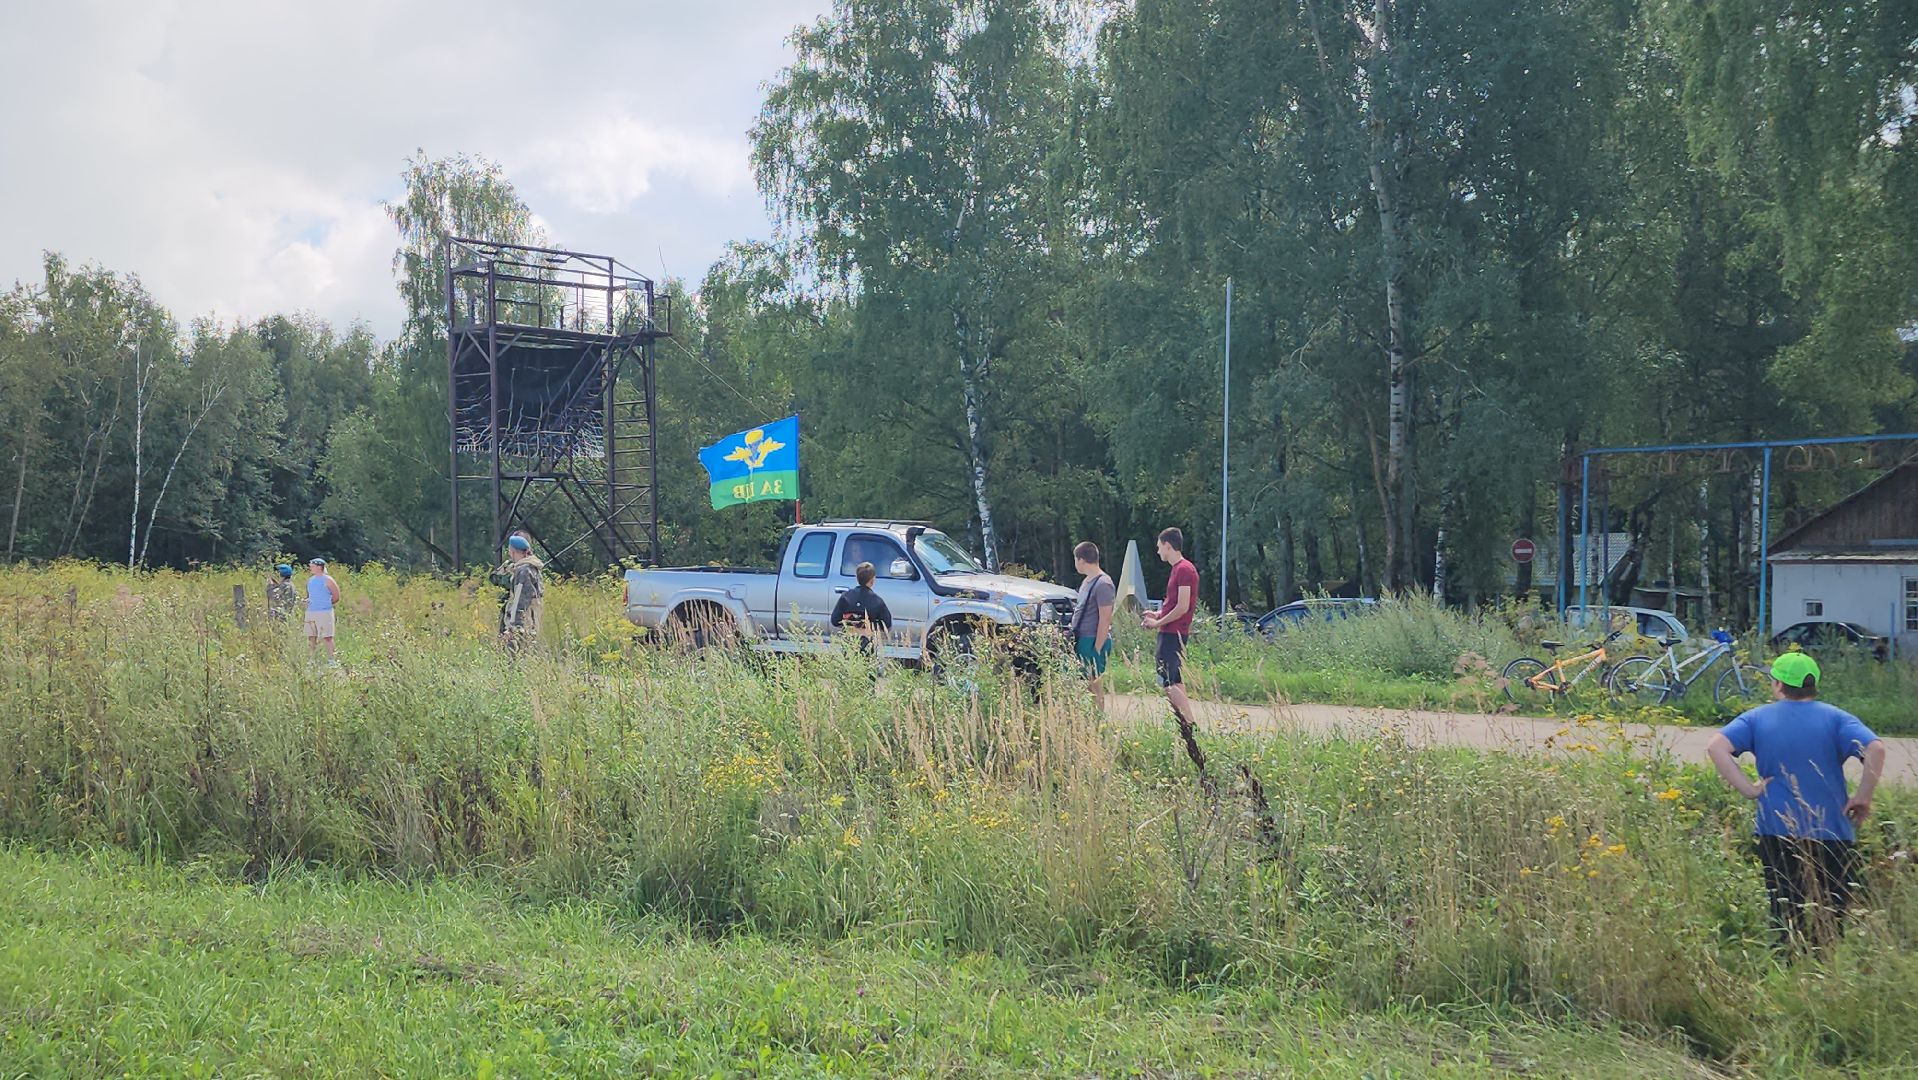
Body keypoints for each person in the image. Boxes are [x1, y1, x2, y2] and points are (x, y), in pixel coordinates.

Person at [1706, 652, 1887, 948]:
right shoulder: (1837, 718)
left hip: (1776, 830)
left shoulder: (1756, 718)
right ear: (1814, 684)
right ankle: (1825, 973)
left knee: (1784, 912)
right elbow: (1876, 749)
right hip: (1832, 831)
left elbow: (1716, 747)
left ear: (1777, 684)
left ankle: (1788, 971)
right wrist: (1863, 796)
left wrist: (1750, 790)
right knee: (1830, 914)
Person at [1140, 527, 1200, 731]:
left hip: (1173, 633)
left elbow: (1183, 606)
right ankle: (1187, 722)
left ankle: (1187, 724)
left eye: (1159, 548)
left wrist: (1158, 623)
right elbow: (1174, 604)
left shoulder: (1184, 569)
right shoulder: (1177, 569)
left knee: (1167, 681)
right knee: (1173, 679)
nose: (1158, 552)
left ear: (1168, 546)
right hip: (1169, 631)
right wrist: (1157, 615)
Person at [1069, 541, 1117, 709]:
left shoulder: (1103, 583)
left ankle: (1098, 720)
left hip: (1093, 640)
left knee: (1093, 685)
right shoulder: (1087, 581)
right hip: (1082, 638)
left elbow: (1105, 618)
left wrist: (1097, 647)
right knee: (1082, 684)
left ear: (1081, 560)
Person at [830, 561, 893, 659]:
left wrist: (851, 625)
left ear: (857, 578)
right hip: (867, 644)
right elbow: (887, 624)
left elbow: (834, 621)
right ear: (872, 580)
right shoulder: (877, 601)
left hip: (849, 642)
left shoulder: (845, 598)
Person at [500, 534, 545, 652]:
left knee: (514, 657)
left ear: (513, 551)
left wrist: (512, 628)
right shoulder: (534, 568)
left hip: (523, 623)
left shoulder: (523, 571)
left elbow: (519, 600)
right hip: (534, 621)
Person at [303, 558, 341, 661]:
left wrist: (325, 604)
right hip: (311, 611)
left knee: (327, 637)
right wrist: (307, 601)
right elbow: (310, 595)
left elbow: (336, 596)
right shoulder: (310, 580)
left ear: (319, 567)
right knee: (311, 637)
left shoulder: (328, 580)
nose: (310, 568)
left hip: (325, 612)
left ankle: (332, 660)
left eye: (312, 566)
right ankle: (311, 660)